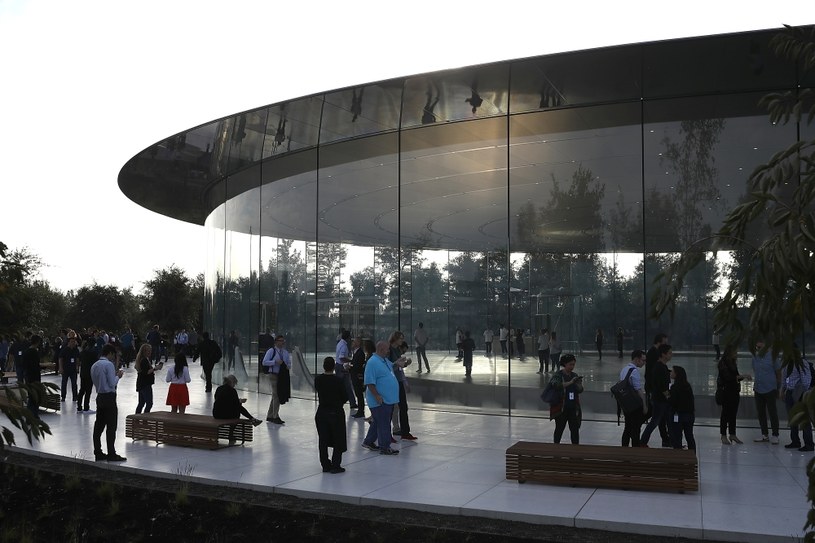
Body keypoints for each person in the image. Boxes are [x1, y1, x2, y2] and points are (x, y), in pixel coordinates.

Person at [362, 340, 401, 455]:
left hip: (387, 399)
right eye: (387, 349)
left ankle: (368, 441)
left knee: (378, 422)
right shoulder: (373, 362)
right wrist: (377, 396)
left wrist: (398, 363)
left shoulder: (383, 360)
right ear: (381, 349)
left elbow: (391, 367)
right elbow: (369, 382)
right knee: (384, 423)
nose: (389, 351)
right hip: (379, 400)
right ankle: (385, 447)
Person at [90, 344, 126, 461]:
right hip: (109, 397)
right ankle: (111, 453)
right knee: (111, 426)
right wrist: (118, 376)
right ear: (110, 353)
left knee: (98, 426)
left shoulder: (95, 365)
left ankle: (98, 452)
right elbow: (112, 383)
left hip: (99, 396)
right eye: (113, 355)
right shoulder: (108, 365)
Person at [314, 357, 348, 473]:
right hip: (336, 412)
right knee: (338, 439)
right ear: (333, 367)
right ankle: (335, 464)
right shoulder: (338, 381)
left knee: (323, 440)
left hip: (322, 411)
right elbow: (345, 396)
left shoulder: (318, 379)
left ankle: (325, 464)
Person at [213, 374, 263, 445]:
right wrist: (239, 402)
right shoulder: (232, 391)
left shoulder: (219, 388)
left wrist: (238, 402)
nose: (234, 386)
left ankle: (252, 419)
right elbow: (236, 406)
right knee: (237, 411)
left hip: (216, 414)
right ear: (232, 382)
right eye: (234, 384)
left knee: (237, 408)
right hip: (225, 415)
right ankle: (231, 435)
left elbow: (221, 400)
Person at [640, 344, 673, 448]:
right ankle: (643, 441)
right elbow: (662, 386)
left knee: (664, 421)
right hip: (660, 400)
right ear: (663, 354)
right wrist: (669, 398)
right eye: (669, 353)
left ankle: (668, 440)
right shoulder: (659, 368)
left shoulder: (661, 367)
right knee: (655, 421)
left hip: (660, 399)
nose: (671, 355)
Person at [717, 345, 751, 445]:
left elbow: (735, 377)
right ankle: (723, 435)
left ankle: (732, 434)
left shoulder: (732, 363)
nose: (736, 354)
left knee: (733, 414)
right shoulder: (723, 363)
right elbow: (728, 377)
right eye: (735, 352)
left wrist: (742, 377)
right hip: (726, 392)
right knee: (725, 414)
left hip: (734, 392)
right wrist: (742, 376)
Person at [782, 351, 814, 452]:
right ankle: (795, 441)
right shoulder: (787, 363)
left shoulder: (802, 362)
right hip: (790, 392)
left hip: (799, 393)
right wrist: (783, 389)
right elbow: (784, 377)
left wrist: (802, 394)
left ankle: (809, 444)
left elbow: (806, 380)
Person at [751, 338, 782, 444]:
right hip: (758, 388)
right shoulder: (755, 357)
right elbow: (756, 370)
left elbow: (778, 373)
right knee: (761, 412)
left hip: (770, 388)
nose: (758, 349)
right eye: (757, 347)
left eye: (760, 347)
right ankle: (764, 434)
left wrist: (778, 388)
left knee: (772, 412)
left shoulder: (773, 358)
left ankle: (775, 434)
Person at [549, 354, 583, 444]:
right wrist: (571, 382)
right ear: (565, 364)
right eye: (570, 364)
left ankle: (575, 450)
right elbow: (556, 386)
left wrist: (578, 384)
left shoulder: (574, 375)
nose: (572, 367)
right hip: (561, 408)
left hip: (573, 407)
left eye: (573, 364)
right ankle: (556, 447)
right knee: (559, 429)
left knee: (574, 430)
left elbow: (580, 390)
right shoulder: (558, 375)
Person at [261, 335, 292, 424]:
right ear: (276, 342)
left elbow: (289, 363)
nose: (282, 342)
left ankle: (270, 415)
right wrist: (275, 362)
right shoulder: (271, 351)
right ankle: (275, 416)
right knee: (276, 395)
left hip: (282, 376)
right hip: (273, 375)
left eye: (283, 341)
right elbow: (264, 362)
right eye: (280, 341)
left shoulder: (285, 352)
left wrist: (287, 365)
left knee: (275, 395)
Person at [620, 349, 647, 447]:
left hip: (626, 404)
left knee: (627, 427)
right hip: (634, 405)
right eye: (643, 360)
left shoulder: (624, 369)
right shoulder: (634, 371)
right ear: (637, 359)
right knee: (635, 428)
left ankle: (624, 450)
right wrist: (644, 405)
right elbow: (638, 390)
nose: (644, 363)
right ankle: (635, 449)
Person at [668, 365, 696, 450]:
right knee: (689, 435)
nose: (670, 373)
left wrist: (667, 395)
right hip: (689, 414)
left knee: (677, 436)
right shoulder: (687, 386)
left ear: (677, 374)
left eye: (672, 371)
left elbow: (672, 401)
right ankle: (692, 455)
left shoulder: (674, 387)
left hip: (678, 415)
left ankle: (678, 456)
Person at [135, 344, 160, 414]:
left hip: (141, 383)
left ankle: (137, 418)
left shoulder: (141, 359)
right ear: (144, 351)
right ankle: (145, 417)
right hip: (145, 384)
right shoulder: (144, 360)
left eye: (150, 351)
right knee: (149, 403)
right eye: (148, 351)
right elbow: (146, 372)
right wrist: (155, 368)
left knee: (141, 403)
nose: (150, 352)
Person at [335, 330, 357, 410]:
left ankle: (351, 402)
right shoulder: (344, 346)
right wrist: (350, 361)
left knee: (343, 385)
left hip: (338, 366)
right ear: (348, 337)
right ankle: (352, 403)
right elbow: (341, 357)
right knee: (347, 385)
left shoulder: (340, 343)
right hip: (342, 367)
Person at [22, 335, 43, 416]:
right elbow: (35, 365)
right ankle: (34, 415)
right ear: (37, 342)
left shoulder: (26, 352)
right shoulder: (34, 352)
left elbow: (24, 364)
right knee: (36, 397)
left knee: (31, 396)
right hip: (35, 377)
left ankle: (29, 415)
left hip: (28, 376)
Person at [58, 336, 80, 403]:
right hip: (65, 369)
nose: (73, 343)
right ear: (68, 342)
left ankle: (75, 396)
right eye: (71, 342)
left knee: (74, 383)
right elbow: (60, 358)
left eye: (74, 342)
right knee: (64, 383)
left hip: (73, 369)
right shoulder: (65, 350)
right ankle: (63, 396)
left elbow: (77, 359)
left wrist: (77, 367)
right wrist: (61, 368)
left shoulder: (76, 350)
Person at [76, 339, 96, 412]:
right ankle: (86, 407)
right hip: (90, 374)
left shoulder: (83, 352)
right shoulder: (94, 353)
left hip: (83, 373)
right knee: (88, 391)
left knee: (82, 390)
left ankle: (79, 406)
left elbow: (78, 360)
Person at [349, 337, 367, 418]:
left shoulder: (360, 353)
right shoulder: (356, 352)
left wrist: (350, 367)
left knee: (359, 394)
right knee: (358, 393)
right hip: (355, 375)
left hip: (357, 376)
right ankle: (360, 410)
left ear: (358, 343)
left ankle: (361, 411)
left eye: (354, 342)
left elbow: (358, 366)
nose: (353, 343)